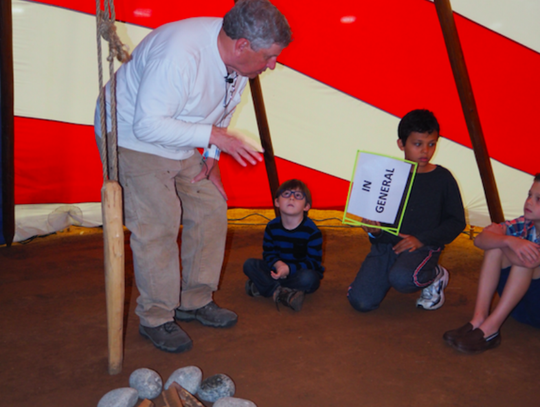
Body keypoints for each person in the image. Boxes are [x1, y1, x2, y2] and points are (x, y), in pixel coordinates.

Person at [94, 0, 292, 353]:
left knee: (211, 206)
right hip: (131, 136)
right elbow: (148, 124)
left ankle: (194, 299)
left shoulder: (240, 62)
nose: (272, 65)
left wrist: (211, 159)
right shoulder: (181, 54)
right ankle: (156, 317)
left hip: (180, 136)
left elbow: (221, 113)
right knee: (159, 223)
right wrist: (214, 139)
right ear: (242, 44)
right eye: (269, 57)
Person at [347, 109, 466, 312]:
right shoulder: (387, 175)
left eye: (431, 144)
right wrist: (373, 232)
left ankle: (435, 274)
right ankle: (375, 279)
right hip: (386, 247)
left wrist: (422, 239)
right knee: (361, 302)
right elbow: (376, 226)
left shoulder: (443, 178)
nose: (425, 151)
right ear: (401, 144)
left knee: (402, 279)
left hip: (423, 247)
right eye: (417, 144)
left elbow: (456, 222)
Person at [444, 174, 540, 354]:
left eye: (538, 199)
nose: (528, 202)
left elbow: (529, 261)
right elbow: (480, 240)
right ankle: (479, 319)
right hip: (517, 307)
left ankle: (491, 329)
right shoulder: (525, 223)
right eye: (529, 195)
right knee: (496, 246)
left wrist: (505, 240)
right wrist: (509, 241)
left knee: (525, 259)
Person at [243, 179, 324, 311]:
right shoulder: (271, 227)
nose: (291, 198)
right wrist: (278, 265)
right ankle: (283, 293)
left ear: (306, 206)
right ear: (276, 202)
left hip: (298, 273)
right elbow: (268, 254)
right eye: (286, 194)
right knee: (249, 264)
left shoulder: (312, 231)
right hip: (276, 271)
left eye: (298, 195)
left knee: (310, 278)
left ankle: (264, 286)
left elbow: (313, 263)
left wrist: (289, 269)